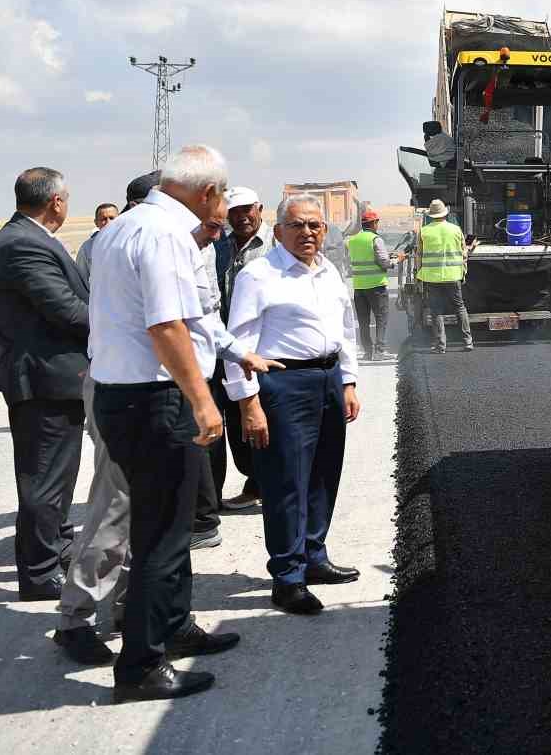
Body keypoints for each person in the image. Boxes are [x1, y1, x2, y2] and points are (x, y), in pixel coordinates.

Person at [87, 146, 242, 701]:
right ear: (208, 194)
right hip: (156, 399)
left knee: (168, 523)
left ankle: (175, 626)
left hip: (124, 396)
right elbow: (167, 325)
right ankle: (142, 667)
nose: (221, 205)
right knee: (163, 534)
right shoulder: (165, 233)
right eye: (222, 195)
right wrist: (202, 401)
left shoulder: (123, 227)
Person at [227, 193, 361, 616]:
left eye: (315, 226)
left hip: (327, 379)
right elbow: (239, 342)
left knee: (324, 473)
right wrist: (247, 403)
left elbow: (347, 329)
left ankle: (314, 556)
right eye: (298, 225)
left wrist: (349, 382)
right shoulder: (258, 275)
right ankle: (287, 577)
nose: (308, 233)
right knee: (286, 483)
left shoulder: (329, 273)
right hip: (282, 384)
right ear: (279, 230)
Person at [52, 172, 155, 665]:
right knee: (114, 505)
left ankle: (122, 608)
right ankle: (77, 616)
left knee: (139, 508)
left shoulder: (118, 241)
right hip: (123, 387)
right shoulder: (125, 242)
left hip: (140, 386)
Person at [0, 167, 89, 600]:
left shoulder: (28, 237)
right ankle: (41, 573)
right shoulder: (23, 243)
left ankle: (58, 552)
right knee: (44, 481)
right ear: (56, 202)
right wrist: (122, 323)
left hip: (55, 378)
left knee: (57, 479)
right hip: (43, 380)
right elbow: (64, 309)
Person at [214, 187, 269, 508]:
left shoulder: (275, 245)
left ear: (259, 208)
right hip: (227, 350)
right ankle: (253, 479)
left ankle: (268, 482)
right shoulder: (219, 247)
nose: (241, 216)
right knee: (236, 422)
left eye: (247, 209)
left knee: (265, 417)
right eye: (234, 211)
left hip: (263, 350)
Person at [416, 198, 471, 353]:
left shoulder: (424, 231)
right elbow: (464, 253)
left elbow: (419, 256)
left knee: (436, 311)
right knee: (460, 307)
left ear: (431, 215)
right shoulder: (455, 229)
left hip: (432, 278)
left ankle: (441, 346)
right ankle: (467, 342)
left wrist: (418, 277)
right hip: (453, 276)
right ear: (445, 214)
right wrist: (463, 272)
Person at [345, 207, 394, 360]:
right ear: (373, 223)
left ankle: (368, 352)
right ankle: (380, 352)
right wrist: (396, 261)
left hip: (359, 287)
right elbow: (384, 263)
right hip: (376, 286)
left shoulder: (351, 241)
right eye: (377, 222)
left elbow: (352, 262)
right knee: (381, 319)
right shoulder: (375, 239)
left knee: (363, 321)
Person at [73, 202, 119, 285]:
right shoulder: (87, 248)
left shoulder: (128, 243)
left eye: (112, 218)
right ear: (96, 222)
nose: (108, 222)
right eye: (103, 219)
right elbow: (80, 279)